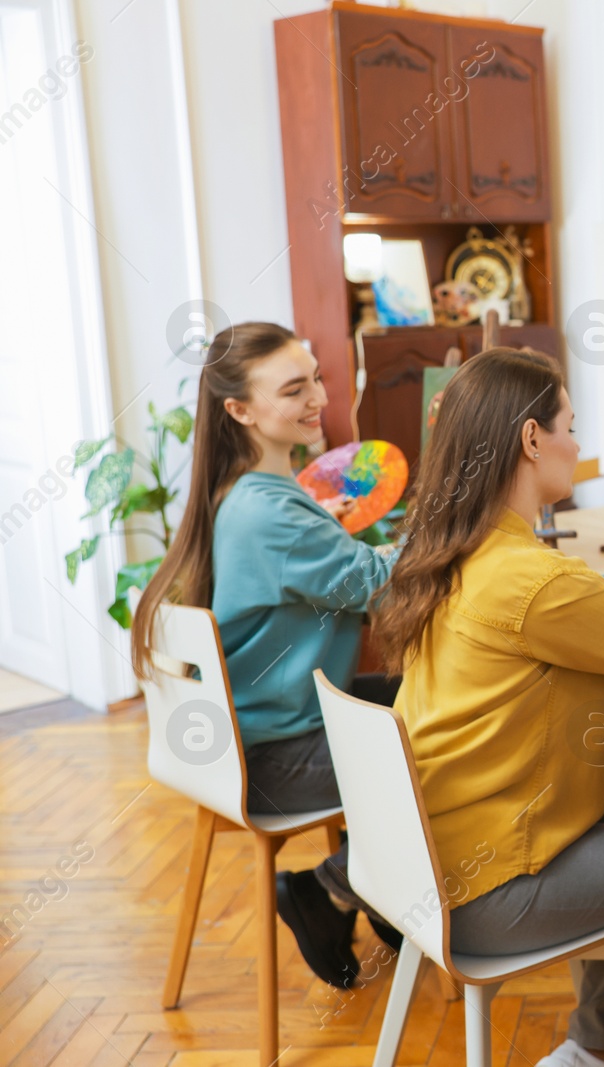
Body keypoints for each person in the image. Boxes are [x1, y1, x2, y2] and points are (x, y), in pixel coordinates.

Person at [372, 348, 604, 1067]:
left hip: (432, 856)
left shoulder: (457, 552)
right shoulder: (535, 581)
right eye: (571, 424)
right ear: (532, 438)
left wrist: (603, 608)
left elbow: (546, 626)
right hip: (491, 885)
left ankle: (599, 1048)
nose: (579, 442)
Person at [130, 322, 400, 989]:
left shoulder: (248, 495)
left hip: (258, 737)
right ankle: (333, 889)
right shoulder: (270, 513)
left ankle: (385, 890)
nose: (317, 397)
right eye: (293, 387)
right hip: (279, 760)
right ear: (240, 410)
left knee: (426, 700)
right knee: (462, 732)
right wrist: (451, 532)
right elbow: (381, 586)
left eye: (315, 377)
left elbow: (340, 569)